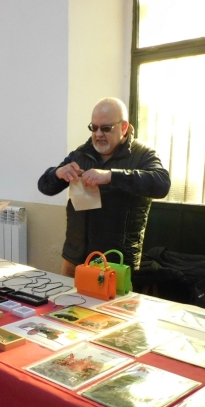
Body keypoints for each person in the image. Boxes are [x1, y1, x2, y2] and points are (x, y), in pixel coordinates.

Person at [37, 97, 170, 277]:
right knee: (67, 304)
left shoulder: (142, 154)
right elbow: (45, 186)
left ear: (123, 127)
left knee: (108, 306)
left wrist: (111, 176)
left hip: (116, 262)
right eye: (94, 127)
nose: (98, 134)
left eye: (106, 128)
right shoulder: (81, 153)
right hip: (76, 257)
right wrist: (57, 173)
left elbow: (161, 184)